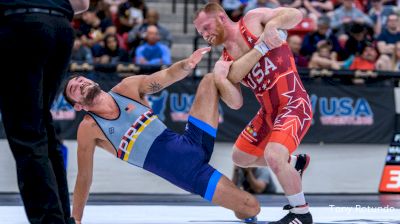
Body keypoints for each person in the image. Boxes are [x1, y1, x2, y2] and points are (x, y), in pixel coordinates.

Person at [64, 47, 262, 224]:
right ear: (78, 105)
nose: (80, 84)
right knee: (251, 207)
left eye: (81, 79)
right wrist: (77, 219)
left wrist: (187, 64)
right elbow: (84, 176)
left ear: (92, 80)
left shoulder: (127, 88)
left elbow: (165, 76)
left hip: (193, 139)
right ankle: (239, 207)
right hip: (191, 175)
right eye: (74, 88)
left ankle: (246, 95)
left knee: (211, 79)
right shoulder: (89, 128)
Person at [194, 3, 313, 223]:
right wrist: (220, 79)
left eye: (206, 27)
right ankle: (294, 163)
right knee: (240, 156)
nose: (205, 35)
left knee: (273, 155)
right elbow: (236, 102)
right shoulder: (226, 60)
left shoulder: (252, 20)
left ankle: (301, 213)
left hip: (293, 103)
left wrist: (274, 24)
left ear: (221, 17)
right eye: (201, 33)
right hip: (269, 111)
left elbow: (297, 14)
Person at [0, 0, 89, 223]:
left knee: (27, 131)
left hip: (20, 22)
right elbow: (82, 4)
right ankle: (61, 217)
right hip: (60, 26)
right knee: (41, 125)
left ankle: (50, 220)